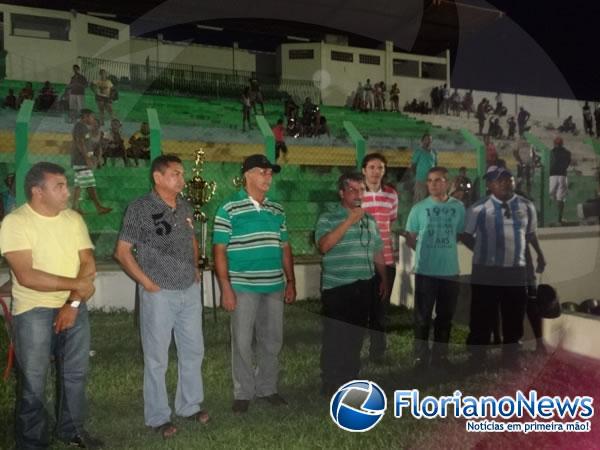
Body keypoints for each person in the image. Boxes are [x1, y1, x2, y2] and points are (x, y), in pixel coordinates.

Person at [0, 162, 102, 449]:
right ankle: (31, 442)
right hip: (33, 311)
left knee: (76, 374)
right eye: (59, 186)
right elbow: (26, 276)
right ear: (38, 192)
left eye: (65, 185)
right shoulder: (15, 222)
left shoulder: (73, 219)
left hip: (74, 306)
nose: (67, 192)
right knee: (33, 382)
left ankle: (70, 431)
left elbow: (88, 263)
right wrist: (78, 285)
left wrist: (73, 301)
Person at [114, 154, 208, 439]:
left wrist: (195, 269)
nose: (182, 179)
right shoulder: (140, 208)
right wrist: (147, 283)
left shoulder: (184, 205)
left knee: (193, 351)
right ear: (158, 177)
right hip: (159, 293)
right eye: (176, 174)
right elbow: (122, 251)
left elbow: (191, 239)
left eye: (182, 173)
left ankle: (189, 406)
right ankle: (157, 416)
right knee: (157, 358)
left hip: (188, 291)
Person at [213, 154, 296, 414]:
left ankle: (267, 388)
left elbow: (285, 247)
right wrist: (225, 287)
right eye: (263, 172)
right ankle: (243, 392)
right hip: (243, 285)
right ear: (248, 174)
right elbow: (219, 251)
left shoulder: (277, 209)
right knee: (242, 341)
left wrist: (290, 281)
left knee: (272, 340)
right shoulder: (228, 209)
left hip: (273, 285)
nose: (268, 177)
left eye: (270, 173)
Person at [463, 166, 545, 369]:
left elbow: (530, 234)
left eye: (509, 179)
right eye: (499, 181)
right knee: (482, 314)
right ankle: (477, 357)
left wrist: (540, 255)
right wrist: (482, 252)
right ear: (490, 185)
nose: (505, 183)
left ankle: (511, 358)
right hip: (486, 271)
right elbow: (465, 235)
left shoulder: (526, 206)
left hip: (515, 270)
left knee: (514, 315)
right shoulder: (478, 208)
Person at [315, 172, 388, 396]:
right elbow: (324, 246)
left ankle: (350, 376)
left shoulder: (370, 219)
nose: (358, 195)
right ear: (342, 193)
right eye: (353, 190)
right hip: (337, 287)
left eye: (361, 190)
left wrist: (383, 277)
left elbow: (377, 250)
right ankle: (331, 379)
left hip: (364, 285)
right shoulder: (328, 217)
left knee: (356, 335)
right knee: (336, 335)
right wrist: (348, 221)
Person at [404, 167, 465, 370]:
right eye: (429, 180)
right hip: (426, 272)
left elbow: (458, 234)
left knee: (445, 317)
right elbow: (410, 238)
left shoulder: (458, 207)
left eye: (438, 180)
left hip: (450, 272)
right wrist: (425, 251)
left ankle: (440, 356)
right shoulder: (418, 208)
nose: (433, 184)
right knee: (422, 317)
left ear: (447, 183)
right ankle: (420, 357)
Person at [361, 154, 398, 363]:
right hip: (361, 259)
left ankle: (378, 352)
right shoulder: (357, 194)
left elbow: (390, 222)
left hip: (385, 258)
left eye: (380, 168)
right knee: (360, 308)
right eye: (372, 167)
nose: (376, 171)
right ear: (364, 170)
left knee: (380, 309)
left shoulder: (391, 195)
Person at [70, 109, 112, 215]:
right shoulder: (80, 127)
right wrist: (87, 158)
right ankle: (98, 207)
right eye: (92, 117)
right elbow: (80, 143)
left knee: (79, 184)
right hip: (81, 161)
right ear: (86, 116)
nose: (93, 119)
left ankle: (75, 207)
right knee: (90, 184)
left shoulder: (83, 127)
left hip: (81, 160)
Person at [549, 136, 572, 224]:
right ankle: (559, 219)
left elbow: (549, 163)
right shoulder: (567, 153)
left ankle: (550, 218)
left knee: (550, 197)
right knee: (560, 199)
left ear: (554, 144)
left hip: (552, 176)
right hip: (562, 175)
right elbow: (567, 163)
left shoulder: (551, 152)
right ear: (562, 143)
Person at [411, 133, 438, 202]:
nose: (428, 141)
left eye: (430, 140)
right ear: (422, 141)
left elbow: (435, 165)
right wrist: (417, 176)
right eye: (426, 139)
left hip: (431, 181)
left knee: (430, 199)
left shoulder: (434, 152)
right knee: (419, 199)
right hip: (421, 179)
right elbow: (413, 165)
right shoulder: (418, 151)